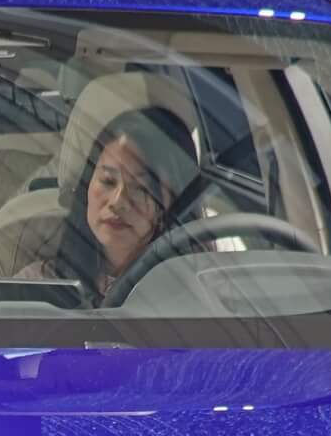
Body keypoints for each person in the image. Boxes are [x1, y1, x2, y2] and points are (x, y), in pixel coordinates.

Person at [18, 102, 202, 303]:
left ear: (177, 204)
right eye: (108, 181)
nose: (118, 201)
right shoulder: (37, 287)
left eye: (142, 189)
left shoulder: (198, 296)